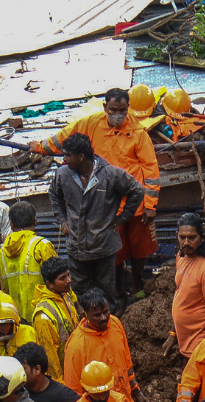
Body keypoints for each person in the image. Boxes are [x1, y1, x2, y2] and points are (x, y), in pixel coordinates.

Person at [31, 87, 162, 301]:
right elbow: (64, 137)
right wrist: (39, 147)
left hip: (136, 206)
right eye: (113, 109)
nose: (118, 114)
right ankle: (119, 291)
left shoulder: (138, 133)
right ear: (105, 108)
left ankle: (137, 284)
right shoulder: (91, 124)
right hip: (108, 206)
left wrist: (150, 205)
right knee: (115, 255)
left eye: (122, 110)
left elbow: (151, 169)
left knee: (140, 250)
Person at [48, 133, 144, 301]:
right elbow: (54, 194)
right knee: (79, 292)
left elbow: (137, 191)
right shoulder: (63, 174)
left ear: (81, 157)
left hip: (104, 247)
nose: (64, 159)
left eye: (68, 155)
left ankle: (109, 322)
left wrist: (122, 218)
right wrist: (62, 220)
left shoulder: (110, 174)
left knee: (106, 291)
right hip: (76, 248)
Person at [64, 288, 147, 402]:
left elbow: (127, 361)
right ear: (85, 315)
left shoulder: (115, 323)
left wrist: (136, 391)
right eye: (97, 315)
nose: (103, 318)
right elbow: (73, 389)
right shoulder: (76, 345)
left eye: (105, 312)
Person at [162, 213, 205, 358]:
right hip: (185, 341)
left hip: (199, 348)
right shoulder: (182, 255)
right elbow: (181, 294)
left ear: (202, 237)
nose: (186, 242)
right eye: (182, 237)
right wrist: (174, 333)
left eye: (192, 238)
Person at [0, 201, 59, 321]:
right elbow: (59, 280)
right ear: (35, 221)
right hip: (44, 316)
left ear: (11, 225)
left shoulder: (2, 252)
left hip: (16, 320)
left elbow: (4, 289)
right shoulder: (42, 246)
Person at [31, 256, 79, 380]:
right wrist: (59, 384)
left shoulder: (65, 294)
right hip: (64, 375)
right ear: (50, 284)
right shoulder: (43, 315)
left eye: (68, 275)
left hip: (76, 366)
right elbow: (50, 356)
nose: (68, 280)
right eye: (62, 278)